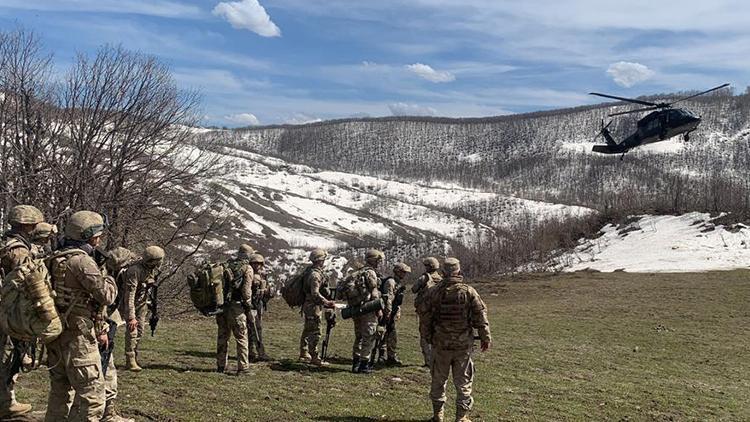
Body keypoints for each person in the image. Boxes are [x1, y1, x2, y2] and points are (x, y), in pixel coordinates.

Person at [44, 210, 117, 421]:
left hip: (56, 333)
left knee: (59, 392)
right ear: (90, 236)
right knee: (92, 396)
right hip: (79, 338)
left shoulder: (54, 257)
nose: (99, 239)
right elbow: (106, 296)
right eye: (98, 235)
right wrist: (110, 277)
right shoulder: (81, 262)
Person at [422, 258, 491, 422]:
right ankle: (461, 417)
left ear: (443, 273)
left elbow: (425, 317)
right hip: (462, 346)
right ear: (459, 272)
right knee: (464, 383)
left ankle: (438, 415)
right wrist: (485, 337)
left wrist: (428, 337)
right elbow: (480, 316)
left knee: (439, 381)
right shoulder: (469, 291)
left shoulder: (433, 292)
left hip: (440, 344)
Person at [0, 205, 45, 420]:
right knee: (9, 356)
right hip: (9, 310)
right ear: (28, 224)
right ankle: (6, 402)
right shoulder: (19, 249)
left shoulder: (5, 242)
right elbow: (25, 279)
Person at [339, 249, 384, 374]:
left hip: (356, 309)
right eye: (378, 261)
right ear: (375, 260)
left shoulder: (358, 272)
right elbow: (374, 293)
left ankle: (355, 364)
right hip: (368, 309)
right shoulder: (371, 273)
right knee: (368, 337)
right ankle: (364, 365)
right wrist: (378, 310)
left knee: (358, 336)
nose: (379, 263)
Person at [120, 245, 164, 371]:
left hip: (142, 303)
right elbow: (130, 295)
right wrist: (131, 317)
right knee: (132, 331)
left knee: (140, 331)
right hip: (131, 303)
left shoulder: (151, 269)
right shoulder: (135, 270)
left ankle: (135, 354)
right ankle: (130, 360)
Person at [216, 245, 254, 374]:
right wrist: (248, 305)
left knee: (223, 336)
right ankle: (243, 368)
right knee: (241, 337)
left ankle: (221, 365)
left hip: (222, 306)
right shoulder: (247, 268)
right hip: (237, 307)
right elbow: (246, 291)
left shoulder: (226, 265)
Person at [299, 249, 335, 366]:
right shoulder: (315, 275)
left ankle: (304, 352)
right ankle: (314, 356)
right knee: (315, 331)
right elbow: (315, 293)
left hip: (308, 305)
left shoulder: (309, 271)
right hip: (313, 306)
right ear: (320, 260)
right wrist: (326, 302)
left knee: (308, 329)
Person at [377, 262, 411, 365]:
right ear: (398, 272)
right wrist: (387, 314)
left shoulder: (397, 283)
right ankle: (382, 356)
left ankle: (391, 356)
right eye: (403, 272)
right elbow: (388, 299)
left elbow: (397, 301)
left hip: (392, 312)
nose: (404, 274)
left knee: (391, 334)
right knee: (383, 334)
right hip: (387, 312)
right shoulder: (391, 282)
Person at [413, 257, 443, 367]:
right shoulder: (441, 278)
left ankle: (428, 361)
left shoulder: (424, 278)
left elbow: (414, 289)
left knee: (425, 336)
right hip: (438, 311)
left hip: (425, 311)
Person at [247, 253, 270, 362]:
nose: (257, 265)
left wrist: (266, 291)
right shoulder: (248, 274)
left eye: (259, 263)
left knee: (257, 328)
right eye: (254, 263)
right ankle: (253, 352)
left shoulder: (263, 275)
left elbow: (269, 290)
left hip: (259, 304)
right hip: (251, 304)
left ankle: (257, 352)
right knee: (252, 329)